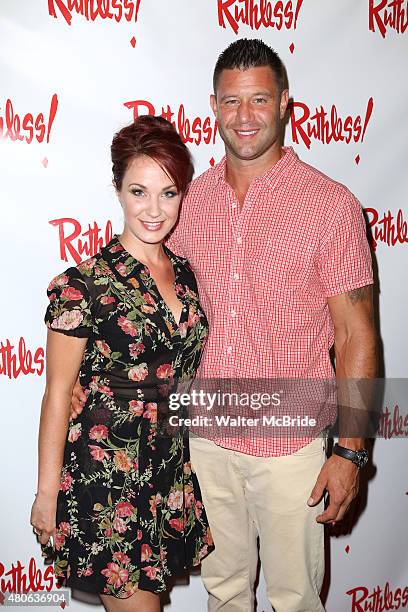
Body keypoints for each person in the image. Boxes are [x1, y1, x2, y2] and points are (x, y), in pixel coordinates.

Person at [71, 39, 377, 611]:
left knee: (295, 600)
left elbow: (357, 333)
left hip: (292, 444)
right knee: (226, 595)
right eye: (231, 102)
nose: (244, 117)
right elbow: (135, 294)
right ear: (213, 105)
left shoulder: (331, 205)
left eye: (259, 99)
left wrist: (352, 451)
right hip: (205, 444)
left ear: (285, 103)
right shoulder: (191, 201)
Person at [30, 115, 214, 611]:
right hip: (109, 481)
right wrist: (46, 494)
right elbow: (57, 395)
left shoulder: (187, 275)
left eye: (169, 193)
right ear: (117, 190)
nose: (154, 209)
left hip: (168, 472)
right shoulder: (83, 286)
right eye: (139, 191)